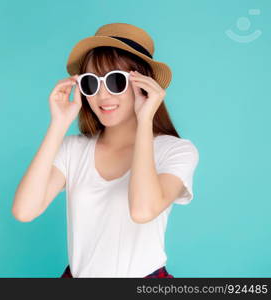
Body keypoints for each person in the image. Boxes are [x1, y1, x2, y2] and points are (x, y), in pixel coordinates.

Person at [12, 23, 199, 278]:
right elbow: (24, 210)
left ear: (143, 84)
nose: (102, 95)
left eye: (115, 81)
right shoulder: (73, 150)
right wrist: (58, 124)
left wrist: (145, 120)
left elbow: (142, 210)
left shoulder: (175, 151)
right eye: (91, 83)